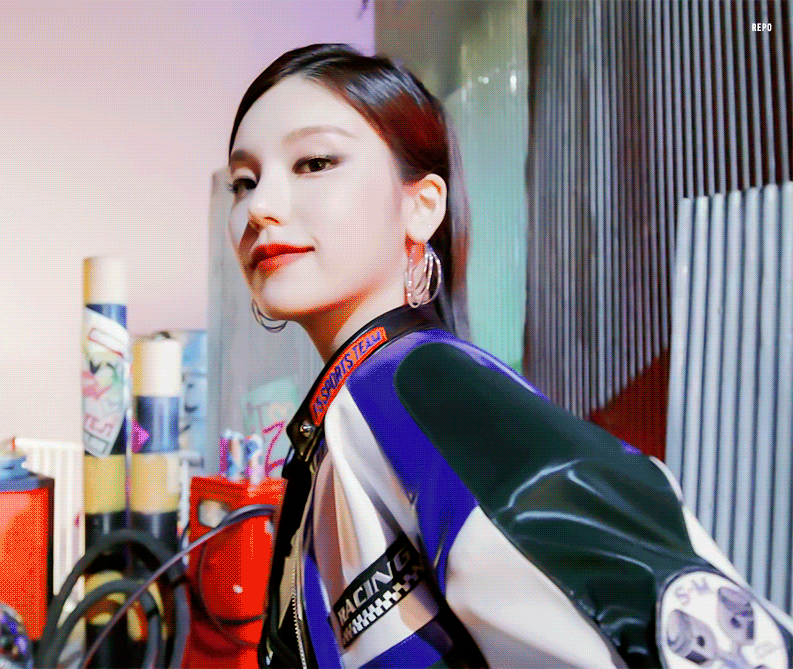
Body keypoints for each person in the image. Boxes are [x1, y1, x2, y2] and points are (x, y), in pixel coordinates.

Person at [226, 43, 793, 669]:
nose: (259, 207)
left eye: (313, 162)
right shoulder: (349, 408)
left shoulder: (414, 381)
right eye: (243, 182)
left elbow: (682, 627)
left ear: (422, 206)